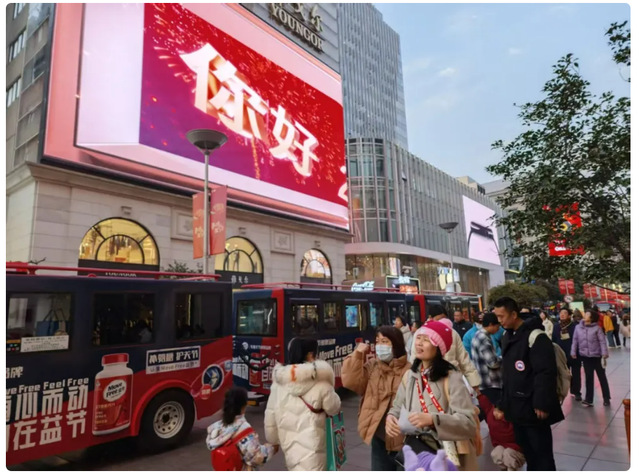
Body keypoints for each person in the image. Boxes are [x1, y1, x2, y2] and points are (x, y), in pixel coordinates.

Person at [387, 321, 479, 471]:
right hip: (417, 450)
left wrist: (433, 420)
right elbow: (397, 406)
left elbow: (468, 424)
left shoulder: (452, 378)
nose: (419, 343)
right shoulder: (410, 375)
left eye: (426, 340)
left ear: (438, 347)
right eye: (418, 338)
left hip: (445, 454)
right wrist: (391, 417)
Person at [492, 297, 563, 471]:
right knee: (528, 451)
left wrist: (542, 403)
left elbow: (545, 372)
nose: (499, 321)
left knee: (542, 455)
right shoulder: (507, 336)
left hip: (533, 408)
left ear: (514, 314)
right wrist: (502, 404)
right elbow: (508, 375)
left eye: (502, 316)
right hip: (516, 408)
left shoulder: (536, 336)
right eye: (497, 317)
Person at [264, 338, 341, 470]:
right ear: (310, 355)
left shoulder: (279, 382)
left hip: (289, 447)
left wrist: (273, 441)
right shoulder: (321, 383)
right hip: (314, 449)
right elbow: (334, 408)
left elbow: (270, 414)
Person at [342, 326, 411, 470]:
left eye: (385, 342)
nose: (380, 346)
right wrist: (357, 354)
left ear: (396, 344)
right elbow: (350, 381)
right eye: (377, 341)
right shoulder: (373, 366)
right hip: (379, 438)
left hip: (405, 441)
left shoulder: (410, 371)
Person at [413, 305, 482, 395]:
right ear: (430, 318)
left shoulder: (453, 333)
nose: (442, 322)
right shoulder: (421, 333)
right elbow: (414, 359)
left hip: (453, 381)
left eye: (444, 319)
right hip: (429, 381)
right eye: (439, 319)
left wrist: (474, 384)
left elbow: (464, 360)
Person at [207, 386, 277, 470]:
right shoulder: (244, 429)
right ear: (243, 406)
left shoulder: (216, 427)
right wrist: (272, 448)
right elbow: (257, 457)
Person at [571, 310, 611, 407]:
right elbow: (575, 340)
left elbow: (602, 341)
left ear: (592, 317)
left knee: (602, 377)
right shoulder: (578, 327)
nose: (585, 315)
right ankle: (589, 399)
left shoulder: (597, 328)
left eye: (587, 314)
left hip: (597, 356)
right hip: (585, 356)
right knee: (589, 378)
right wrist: (573, 351)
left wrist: (604, 353)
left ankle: (606, 398)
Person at [477, 393, 525, 471]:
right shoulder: (491, 416)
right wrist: (478, 393)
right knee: (497, 453)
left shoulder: (513, 421)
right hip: (501, 446)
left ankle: (511, 470)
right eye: (495, 410)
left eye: (499, 412)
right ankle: (504, 469)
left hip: (516, 450)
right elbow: (485, 404)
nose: (496, 413)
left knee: (508, 454)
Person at [470, 313, 503, 406]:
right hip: (490, 382)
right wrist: (503, 358)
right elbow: (492, 363)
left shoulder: (477, 334)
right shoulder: (484, 338)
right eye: (497, 326)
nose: (498, 329)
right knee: (495, 411)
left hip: (483, 381)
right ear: (491, 324)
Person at [552, 307, 582, 401]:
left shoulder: (575, 326)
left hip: (574, 354)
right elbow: (554, 340)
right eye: (561, 313)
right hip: (561, 355)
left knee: (576, 374)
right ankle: (562, 391)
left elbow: (579, 340)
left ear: (569, 315)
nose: (562, 314)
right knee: (563, 375)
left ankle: (576, 392)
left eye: (564, 313)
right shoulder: (556, 326)